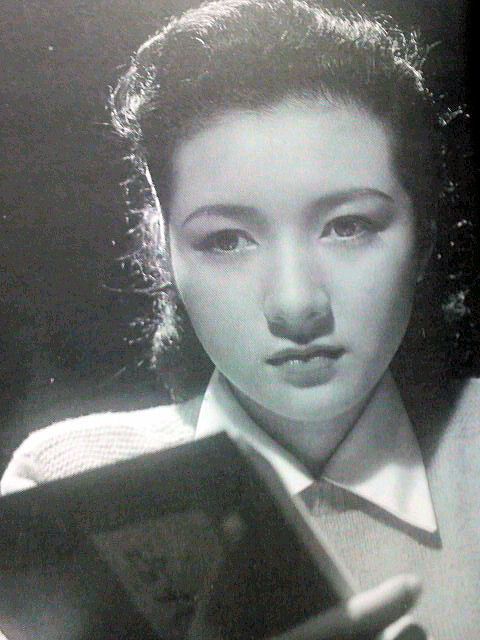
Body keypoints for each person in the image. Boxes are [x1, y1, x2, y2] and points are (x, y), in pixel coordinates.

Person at [1, 0, 478, 638]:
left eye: (348, 226)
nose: (296, 305)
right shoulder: (66, 485)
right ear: (164, 252)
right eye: (226, 239)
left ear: (425, 237)